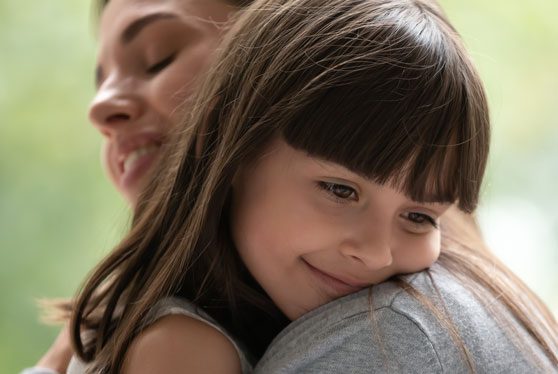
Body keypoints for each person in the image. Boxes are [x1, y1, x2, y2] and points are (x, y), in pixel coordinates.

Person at [60, 0, 556, 372]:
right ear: (231, 144)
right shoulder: (182, 346)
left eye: (420, 216)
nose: (377, 253)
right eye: (340, 191)